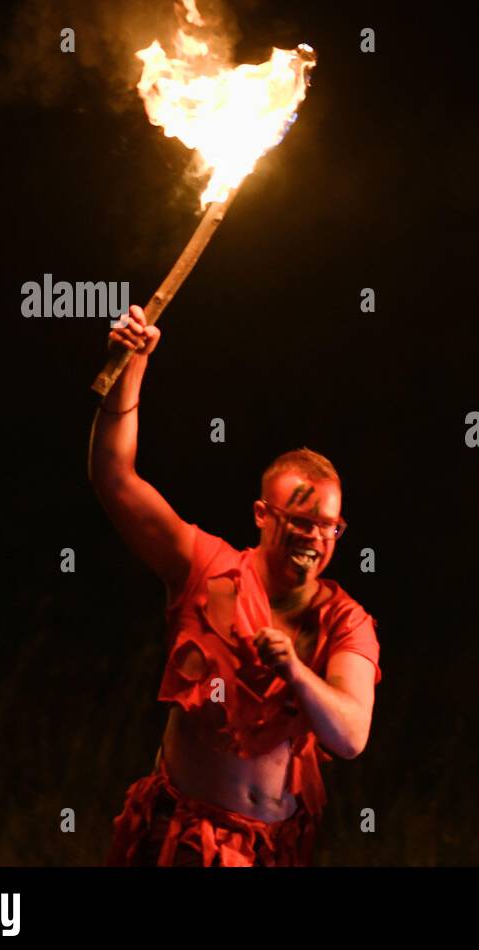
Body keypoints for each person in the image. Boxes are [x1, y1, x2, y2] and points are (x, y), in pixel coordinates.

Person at [89, 305, 380, 866]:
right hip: (184, 841)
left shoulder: (346, 622)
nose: (315, 538)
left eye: (329, 526)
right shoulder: (204, 567)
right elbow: (114, 476)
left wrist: (294, 670)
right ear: (261, 514)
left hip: (274, 849)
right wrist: (131, 368)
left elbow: (350, 736)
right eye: (300, 520)